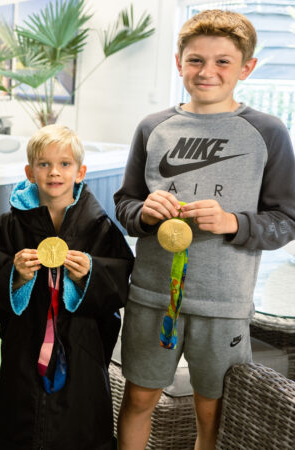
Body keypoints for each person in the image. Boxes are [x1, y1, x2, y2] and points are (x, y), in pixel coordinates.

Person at [114, 10, 295, 450]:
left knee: (211, 409)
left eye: (222, 62)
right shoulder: (152, 127)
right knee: (139, 397)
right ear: (179, 62)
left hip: (224, 303)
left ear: (246, 68)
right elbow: (124, 204)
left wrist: (234, 222)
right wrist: (144, 212)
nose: (206, 71)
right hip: (153, 296)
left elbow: (287, 218)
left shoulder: (267, 132)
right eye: (195, 60)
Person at [0, 124, 134, 449]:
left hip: (82, 344)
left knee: (81, 421)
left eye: (64, 164)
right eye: (44, 164)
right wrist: (16, 274)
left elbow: (121, 279)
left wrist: (91, 272)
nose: (54, 172)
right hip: (26, 342)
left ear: (80, 172)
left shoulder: (100, 227)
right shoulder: (8, 226)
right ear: (29, 172)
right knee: (23, 418)